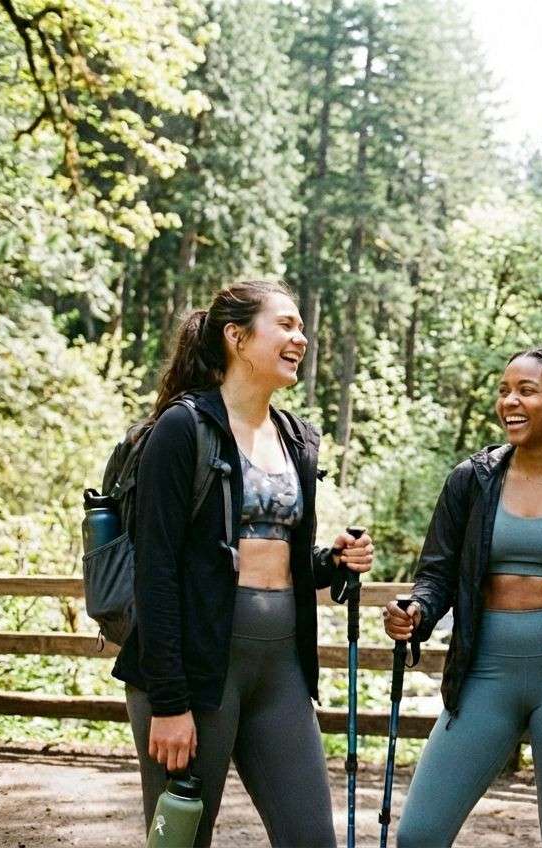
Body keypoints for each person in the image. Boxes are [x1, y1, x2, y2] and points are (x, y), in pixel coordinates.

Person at [112, 280, 374, 847]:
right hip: (198, 668)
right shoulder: (184, 429)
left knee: (311, 838)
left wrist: (334, 562)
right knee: (182, 839)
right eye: (285, 324)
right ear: (236, 336)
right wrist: (170, 702)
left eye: (301, 326)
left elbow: (280, 556)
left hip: (281, 669)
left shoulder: (296, 437)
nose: (299, 338)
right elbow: (155, 573)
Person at [384, 345, 542, 848]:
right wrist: (415, 612)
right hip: (485, 674)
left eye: (527, 390)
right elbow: (436, 574)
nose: (510, 402)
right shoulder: (472, 480)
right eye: (504, 391)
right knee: (418, 835)